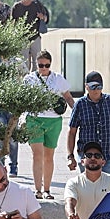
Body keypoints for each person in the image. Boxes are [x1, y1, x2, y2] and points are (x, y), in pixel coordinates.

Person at [22, 51, 75, 198]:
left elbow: (68, 97)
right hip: (35, 118)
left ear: (50, 64)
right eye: (41, 65)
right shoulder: (30, 79)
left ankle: (47, 190)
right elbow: (23, 99)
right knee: (37, 154)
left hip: (53, 120)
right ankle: (38, 190)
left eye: (46, 65)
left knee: (49, 156)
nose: (44, 68)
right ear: (36, 65)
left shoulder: (58, 79)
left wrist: (77, 113)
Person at [67, 71, 110, 175]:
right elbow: (72, 131)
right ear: (86, 87)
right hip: (87, 157)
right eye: (92, 87)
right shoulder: (80, 105)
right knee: (87, 189)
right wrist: (70, 156)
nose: (96, 90)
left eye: (99, 86)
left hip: (109, 155)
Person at [64, 141, 110, 219]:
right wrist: (71, 214)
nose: (93, 158)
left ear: (103, 162)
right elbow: (69, 202)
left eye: (97, 156)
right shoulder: (73, 182)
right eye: (88, 155)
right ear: (82, 161)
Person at [10, 0, 50, 70]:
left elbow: (46, 19)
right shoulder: (16, 7)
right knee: (24, 64)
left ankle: (36, 81)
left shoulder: (37, 4)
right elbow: (11, 23)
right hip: (22, 39)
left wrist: (42, 17)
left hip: (35, 37)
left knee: (38, 63)